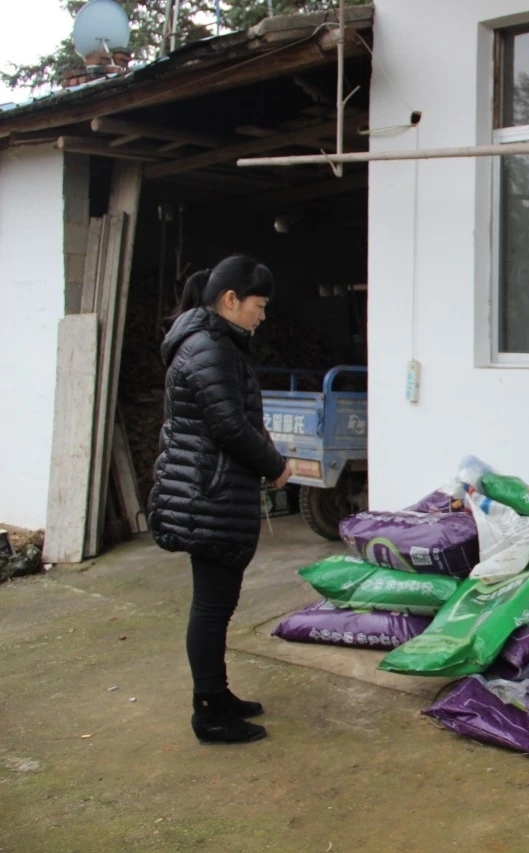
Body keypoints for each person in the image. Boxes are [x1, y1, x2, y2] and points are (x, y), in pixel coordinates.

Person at [149, 255, 291, 745]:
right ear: (231, 299)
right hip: (207, 494)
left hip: (210, 490)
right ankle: (209, 712)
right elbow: (228, 425)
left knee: (218, 604)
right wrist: (274, 465)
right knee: (211, 608)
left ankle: (217, 694)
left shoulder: (214, 342)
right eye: (259, 305)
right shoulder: (208, 346)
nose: (262, 315)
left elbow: (235, 417)